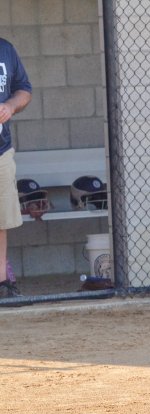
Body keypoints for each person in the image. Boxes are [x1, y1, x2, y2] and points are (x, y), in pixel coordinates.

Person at [0, 38, 32, 299]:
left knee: (1, 218)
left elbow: (23, 89)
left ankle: (2, 282)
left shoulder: (6, 49)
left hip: (1, 149)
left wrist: (10, 106)